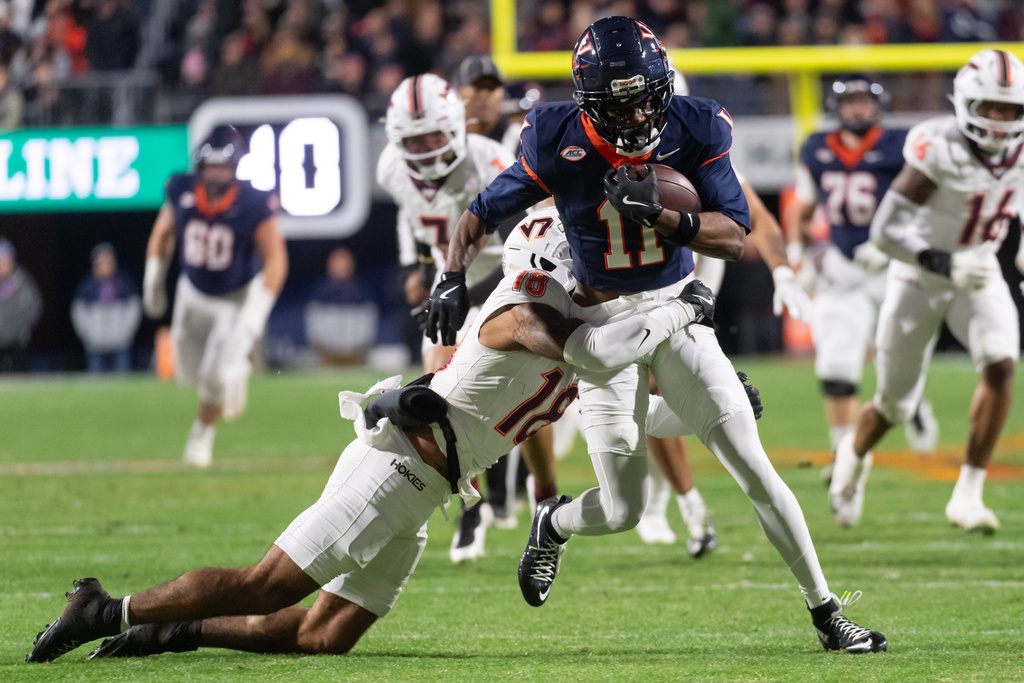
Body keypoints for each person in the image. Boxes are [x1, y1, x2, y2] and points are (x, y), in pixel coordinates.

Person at [25, 214, 716, 664]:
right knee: (267, 587)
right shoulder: (526, 308)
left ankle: (171, 629)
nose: (617, 280)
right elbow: (586, 354)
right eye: (606, 268)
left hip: (430, 487)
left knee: (324, 635)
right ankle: (105, 607)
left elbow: (633, 404)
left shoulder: (587, 336)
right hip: (399, 467)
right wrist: (680, 310)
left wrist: (711, 403)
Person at [426, 16, 887, 653]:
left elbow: (734, 233)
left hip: (675, 305)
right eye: (623, 102)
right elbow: (479, 213)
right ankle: (553, 521)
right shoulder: (555, 134)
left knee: (754, 465)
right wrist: (450, 276)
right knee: (624, 511)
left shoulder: (697, 124)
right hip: (600, 320)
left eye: (648, 95)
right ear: (590, 103)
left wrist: (667, 217)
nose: (641, 113)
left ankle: (827, 611)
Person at [829, 49, 1024, 533]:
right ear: (963, 104)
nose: (1000, 122)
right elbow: (886, 232)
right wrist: (943, 261)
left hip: (976, 269)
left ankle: (968, 494)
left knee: (1001, 362)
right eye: (989, 108)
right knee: (894, 404)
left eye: (1010, 110)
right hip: (919, 272)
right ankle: (853, 458)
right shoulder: (938, 146)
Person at [378, 72, 539, 562]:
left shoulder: (487, 159)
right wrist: (416, 266)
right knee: (439, 389)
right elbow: (410, 215)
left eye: (433, 135)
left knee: (515, 391)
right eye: (414, 139)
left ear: (454, 127)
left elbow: (525, 231)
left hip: (501, 277)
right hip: (449, 283)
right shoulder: (390, 167)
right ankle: (471, 501)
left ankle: (527, 488)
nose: (425, 149)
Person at [790, 76, 939, 480]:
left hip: (893, 265)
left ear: (878, 106)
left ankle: (915, 400)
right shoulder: (817, 147)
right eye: (850, 102)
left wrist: (897, 241)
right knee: (837, 362)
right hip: (842, 265)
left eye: (864, 102)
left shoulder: (901, 145)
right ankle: (844, 453)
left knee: (896, 353)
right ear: (838, 107)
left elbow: (929, 201)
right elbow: (802, 208)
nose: (857, 110)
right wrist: (796, 256)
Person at [142, 125, 288, 468]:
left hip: (233, 299)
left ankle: (201, 435)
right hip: (191, 293)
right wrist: (153, 278)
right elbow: (163, 233)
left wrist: (255, 314)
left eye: (224, 167)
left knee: (213, 376)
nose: (217, 174)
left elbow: (276, 260)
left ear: (236, 167)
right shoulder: (180, 189)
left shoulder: (252, 202)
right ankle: (235, 368)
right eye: (211, 167)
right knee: (187, 375)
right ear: (199, 166)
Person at [71, 242, 141, 373]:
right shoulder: (86, 287)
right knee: (96, 385)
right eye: (101, 262)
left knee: (122, 384)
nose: (106, 265)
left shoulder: (125, 283)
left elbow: (134, 310)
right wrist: (89, 336)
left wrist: (125, 334)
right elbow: (78, 314)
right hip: (95, 344)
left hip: (120, 343)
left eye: (109, 261)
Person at [304, 247, 378, 366]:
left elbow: (368, 323)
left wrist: (356, 349)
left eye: (344, 262)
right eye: (336, 262)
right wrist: (327, 350)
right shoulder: (321, 291)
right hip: (327, 358)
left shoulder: (361, 290)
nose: (340, 267)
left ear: (351, 265)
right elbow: (314, 325)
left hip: (355, 357)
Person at [0, 237, 41, 372]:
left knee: (17, 377)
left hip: (16, 342)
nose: (3, 264)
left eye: (6, 259)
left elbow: (34, 308)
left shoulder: (22, 281)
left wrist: (21, 330)